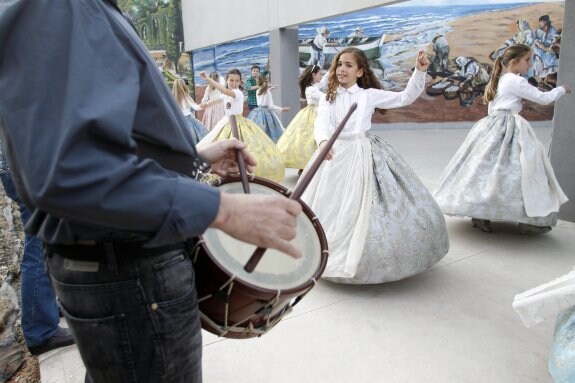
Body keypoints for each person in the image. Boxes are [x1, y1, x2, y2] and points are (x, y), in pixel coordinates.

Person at [0, 2, 303, 382]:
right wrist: (223, 209)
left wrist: (192, 159)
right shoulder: (61, 8)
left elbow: (107, 144)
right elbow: (69, 172)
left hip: (128, 266)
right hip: (128, 268)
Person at [299, 47, 449, 284]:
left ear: (360, 72)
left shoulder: (368, 95)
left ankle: (361, 258)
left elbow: (404, 98)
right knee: (329, 202)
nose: (342, 69)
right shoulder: (328, 97)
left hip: (361, 151)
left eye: (349, 65)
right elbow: (322, 123)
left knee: (366, 204)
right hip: (334, 154)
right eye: (339, 64)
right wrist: (324, 142)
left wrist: (419, 72)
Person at [433, 44, 570, 235]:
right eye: (527, 60)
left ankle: (481, 213)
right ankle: (528, 219)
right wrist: (562, 89)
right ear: (515, 62)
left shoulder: (500, 78)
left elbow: (491, 108)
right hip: (508, 126)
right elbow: (544, 98)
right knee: (525, 171)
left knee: (485, 171)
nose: (529, 65)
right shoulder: (515, 80)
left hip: (491, 125)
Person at [0, 149, 75, 356]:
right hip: (26, 166)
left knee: (47, 240)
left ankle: (45, 308)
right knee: (39, 243)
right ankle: (40, 330)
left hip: (19, 164)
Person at [198, 69, 285, 182]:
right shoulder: (226, 95)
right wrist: (205, 104)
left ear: (240, 82)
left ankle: (242, 173)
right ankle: (226, 174)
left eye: (237, 81)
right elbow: (216, 100)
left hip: (238, 123)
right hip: (226, 122)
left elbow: (224, 91)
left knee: (243, 148)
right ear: (227, 80)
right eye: (231, 80)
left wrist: (208, 79)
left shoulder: (237, 93)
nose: (234, 83)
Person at [277, 64, 325, 172]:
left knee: (309, 141)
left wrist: (332, 73)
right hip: (314, 114)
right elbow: (324, 97)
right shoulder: (312, 89)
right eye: (319, 74)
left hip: (314, 112)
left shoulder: (313, 87)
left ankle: (309, 166)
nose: (321, 76)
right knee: (311, 140)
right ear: (313, 75)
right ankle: (307, 166)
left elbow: (322, 83)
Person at [247, 74, 290, 143]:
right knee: (271, 133)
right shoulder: (267, 92)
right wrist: (282, 109)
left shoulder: (257, 91)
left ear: (258, 82)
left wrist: (270, 89)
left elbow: (263, 94)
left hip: (257, 112)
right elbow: (271, 106)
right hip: (267, 113)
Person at [172, 78, 208, 145]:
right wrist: (204, 105)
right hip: (188, 122)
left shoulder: (171, 98)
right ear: (183, 86)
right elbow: (196, 108)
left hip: (177, 122)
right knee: (194, 140)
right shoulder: (186, 97)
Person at [533, 15, 560, 81]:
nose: (540, 24)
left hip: (550, 55)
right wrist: (541, 45)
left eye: (541, 22)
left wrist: (544, 46)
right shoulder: (538, 31)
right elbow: (535, 41)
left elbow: (554, 43)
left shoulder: (553, 30)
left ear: (545, 22)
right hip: (540, 55)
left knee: (551, 72)